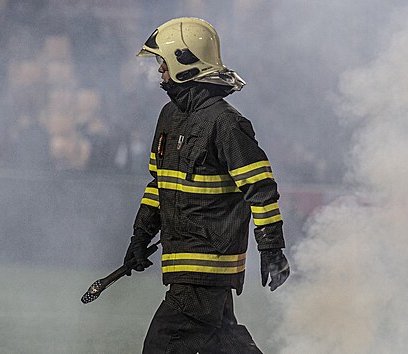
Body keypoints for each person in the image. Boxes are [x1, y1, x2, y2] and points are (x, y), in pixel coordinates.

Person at [124, 17, 290, 353]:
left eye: (163, 63)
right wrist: (140, 237)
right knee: (224, 342)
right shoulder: (169, 117)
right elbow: (159, 184)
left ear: (184, 63)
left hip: (207, 266)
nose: (160, 72)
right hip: (184, 265)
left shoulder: (227, 124)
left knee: (161, 345)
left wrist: (272, 248)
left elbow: (261, 189)